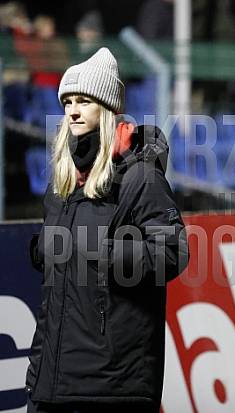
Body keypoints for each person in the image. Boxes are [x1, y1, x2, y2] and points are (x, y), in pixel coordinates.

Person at [26, 47, 189, 413]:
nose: (73, 110)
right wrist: (36, 375)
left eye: (84, 101)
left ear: (107, 108)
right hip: (50, 384)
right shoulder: (62, 183)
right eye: (68, 102)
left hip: (111, 387)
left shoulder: (139, 176)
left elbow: (172, 252)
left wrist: (101, 249)